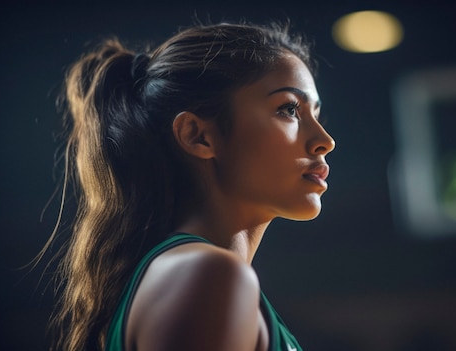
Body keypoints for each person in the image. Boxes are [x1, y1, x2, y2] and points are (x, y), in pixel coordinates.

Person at [44, 21, 335, 351]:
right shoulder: (210, 276)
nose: (325, 141)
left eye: (316, 114)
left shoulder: (190, 274)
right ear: (198, 135)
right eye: (289, 110)